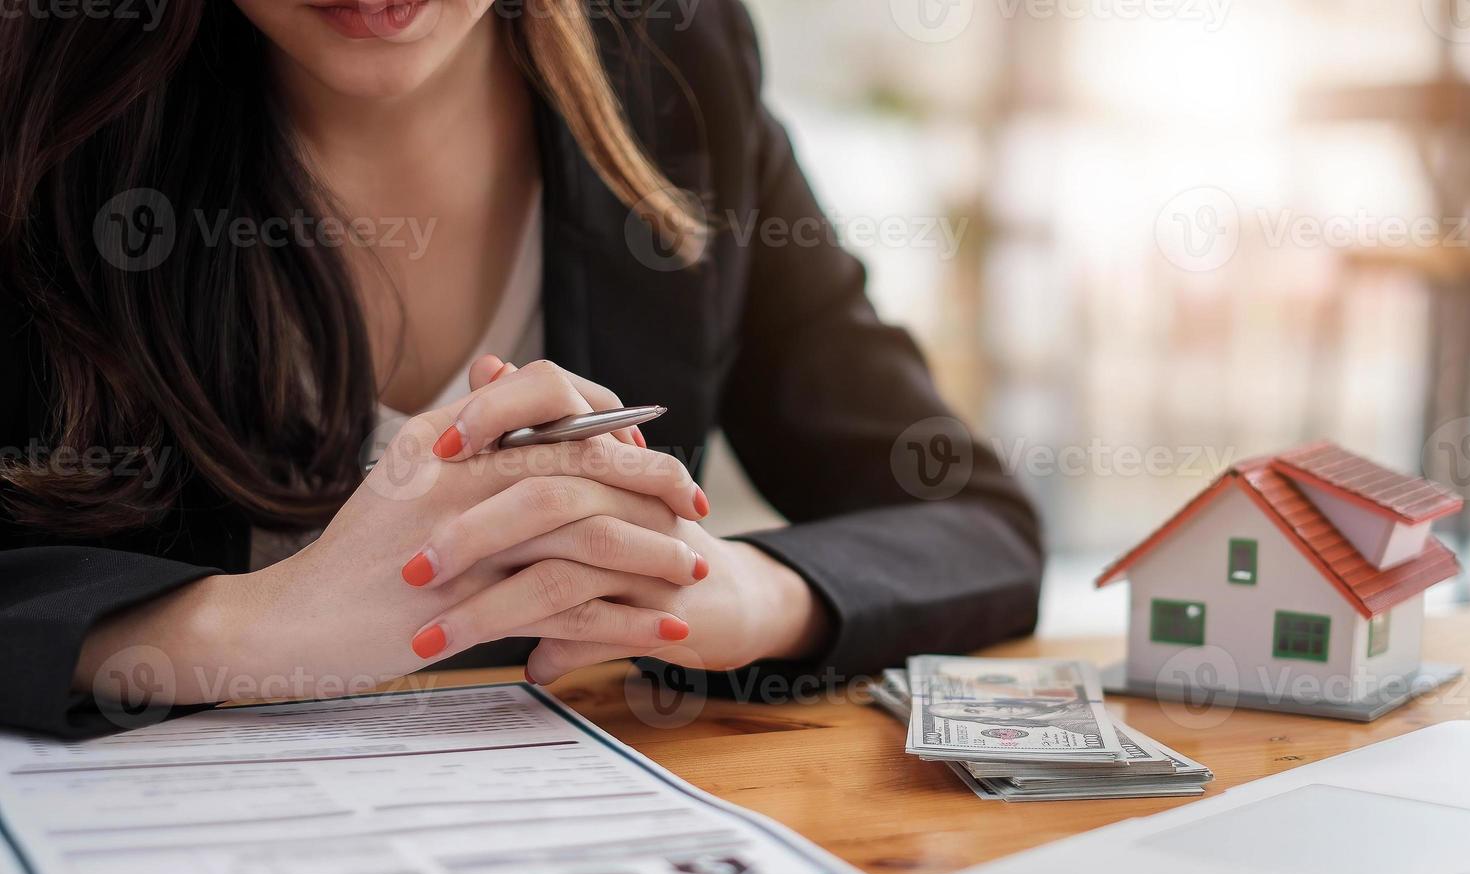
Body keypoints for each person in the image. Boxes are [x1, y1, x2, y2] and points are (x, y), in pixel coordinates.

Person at [0, 0, 1042, 736]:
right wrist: (250, 626)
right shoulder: (44, 94)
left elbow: (975, 523)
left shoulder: (678, 62)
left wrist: (729, 591)